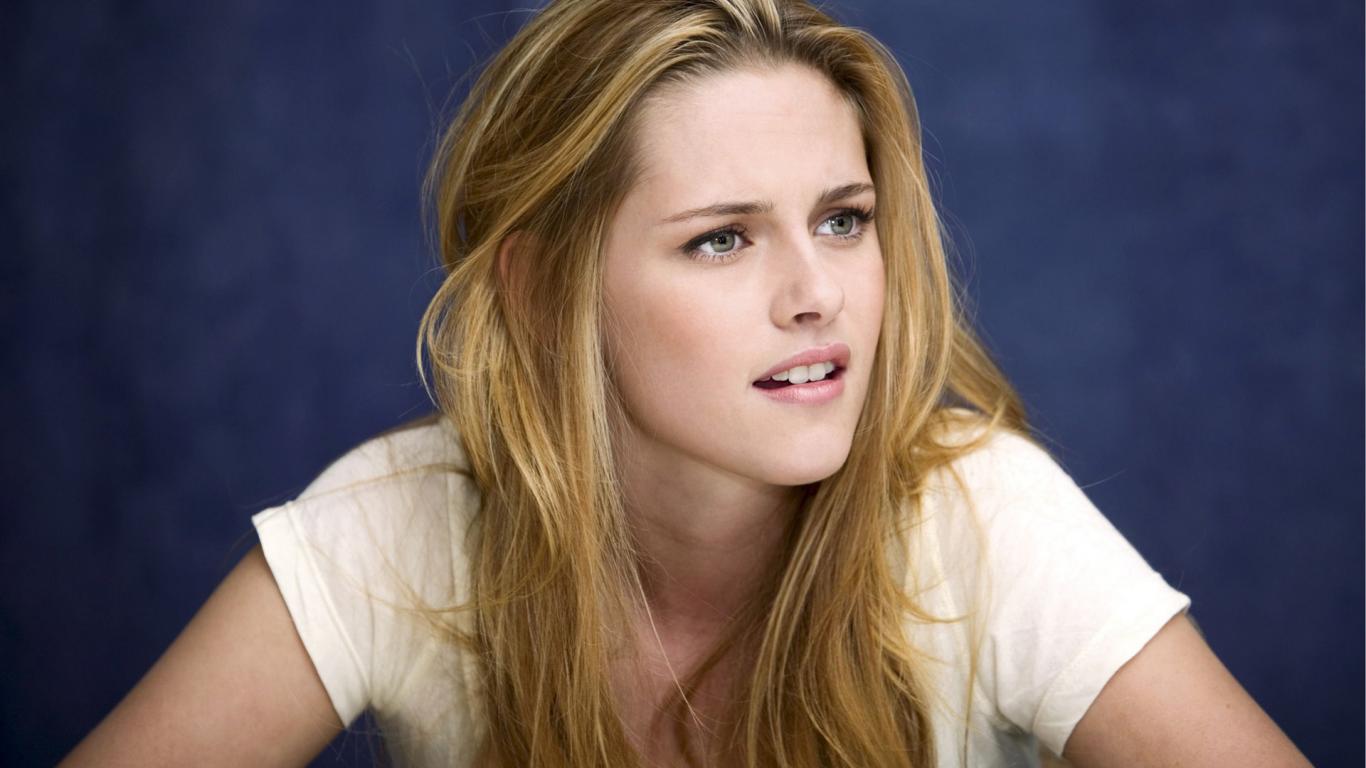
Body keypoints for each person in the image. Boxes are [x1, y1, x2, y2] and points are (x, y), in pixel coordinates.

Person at [61, 1, 1312, 766]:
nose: (816, 293)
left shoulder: (982, 519)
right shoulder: (401, 524)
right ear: (539, 290)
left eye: (842, 219)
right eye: (722, 239)